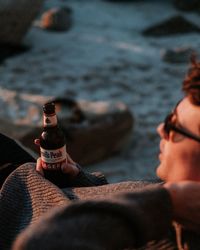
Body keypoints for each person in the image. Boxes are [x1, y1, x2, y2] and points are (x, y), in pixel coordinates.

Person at [1, 55, 200, 249]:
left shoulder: (172, 228)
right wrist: (78, 180)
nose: (160, 129)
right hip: (27, 181)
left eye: (173, 126)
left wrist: (163, 203)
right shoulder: (177, 194)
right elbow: (114, 200)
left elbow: (40, 243)